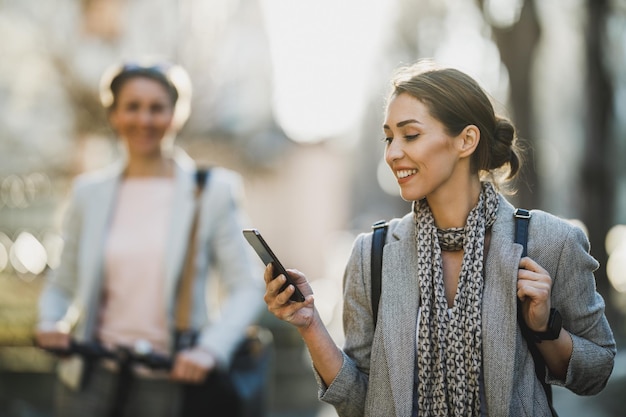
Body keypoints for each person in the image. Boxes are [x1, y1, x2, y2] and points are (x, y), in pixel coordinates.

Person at [263, 60, 616, 417]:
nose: (392, 153)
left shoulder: (550, 242)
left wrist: (544, 329)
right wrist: (310, 325)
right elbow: (360, 405)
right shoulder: (373, 255)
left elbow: (598, 372)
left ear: (466, 140)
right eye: (388, 137)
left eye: (410, 135)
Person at [34, 59, 265, 417]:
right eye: (132, 107)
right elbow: (62, 284)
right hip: (90, 379)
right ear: (113, 115)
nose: (144, 119)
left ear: (176, 114)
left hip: (173, 380)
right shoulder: (88, 193)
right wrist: (51, 323)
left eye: (157, 108)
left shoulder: (212, 191)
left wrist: (210, 350)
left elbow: (247, 286)